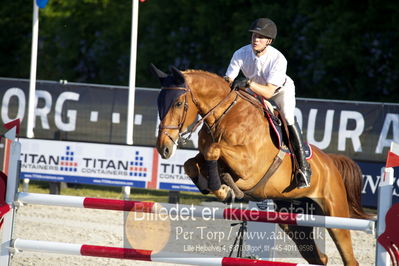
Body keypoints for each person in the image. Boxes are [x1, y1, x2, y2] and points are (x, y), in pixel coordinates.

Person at [224, 18, 311, 188]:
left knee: (287, 117)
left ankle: (303, 168)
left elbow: (269, 92)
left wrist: (248, 84)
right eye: (254, 35)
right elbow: (228, 80)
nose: (256, 39)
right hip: (253, 90)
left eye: (261, 37)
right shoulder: (240, 53)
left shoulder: (278, 59)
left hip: (279, 91)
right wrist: (230, 84)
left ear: (269, 41)